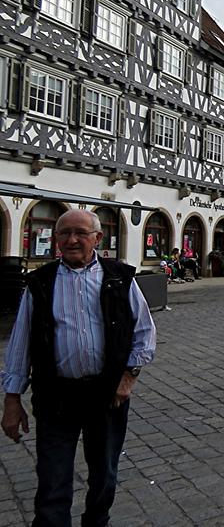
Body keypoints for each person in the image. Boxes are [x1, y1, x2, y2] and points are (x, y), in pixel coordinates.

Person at [1, 209, 157, 526]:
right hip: (56, 397)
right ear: (56, 239)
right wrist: (12, 398)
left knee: (104, 474)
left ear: (97, 238)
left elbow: (144, 333)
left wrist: (128, 377)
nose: (72, 240)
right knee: (52, 478)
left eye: (80, 233)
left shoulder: (119, 278)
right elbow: (21, 342)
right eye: (64, 233)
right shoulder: (40, 283)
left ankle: (96, 521)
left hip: (107, 395)